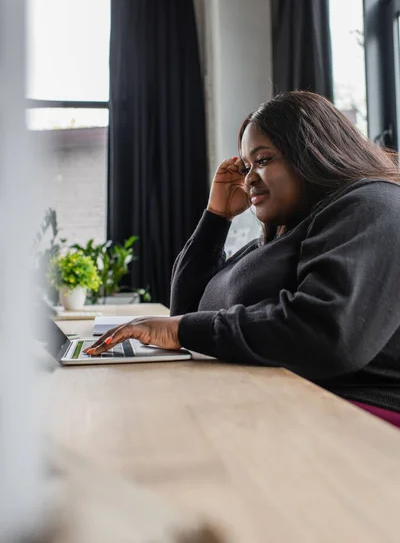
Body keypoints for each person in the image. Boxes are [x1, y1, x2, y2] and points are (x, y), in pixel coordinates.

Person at [85, 91, 400, 425]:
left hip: (358, 410)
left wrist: (181, 331)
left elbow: (327, 333)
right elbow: (189, 314)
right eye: (246, 165)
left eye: (263, 160)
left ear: (312, 151)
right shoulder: (281, 237)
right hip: (285, 395)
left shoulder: (373, 205)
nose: (248, 178)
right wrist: (216, 216)